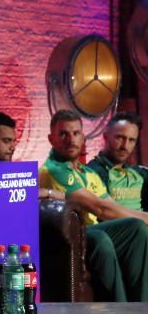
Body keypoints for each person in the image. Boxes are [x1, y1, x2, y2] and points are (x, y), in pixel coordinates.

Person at [39, 109, 148, 302]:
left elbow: (111, 207)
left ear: (83, 137)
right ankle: (121, 311)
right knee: (108, 235)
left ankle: (142, 304)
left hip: (94, 230)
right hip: (72, 236)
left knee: (135, 227)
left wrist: (142, 218)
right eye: (63, 134)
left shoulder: (88, 172)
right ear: (51, 139)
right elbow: (100, 209)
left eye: (75, 133)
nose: (71, 140)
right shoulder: (54, 169)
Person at [87, 111, 148, 212]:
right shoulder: (92, 172)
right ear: (105, 137)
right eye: (120, 138)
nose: (125, 146)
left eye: (131, 140)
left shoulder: (138, 173)